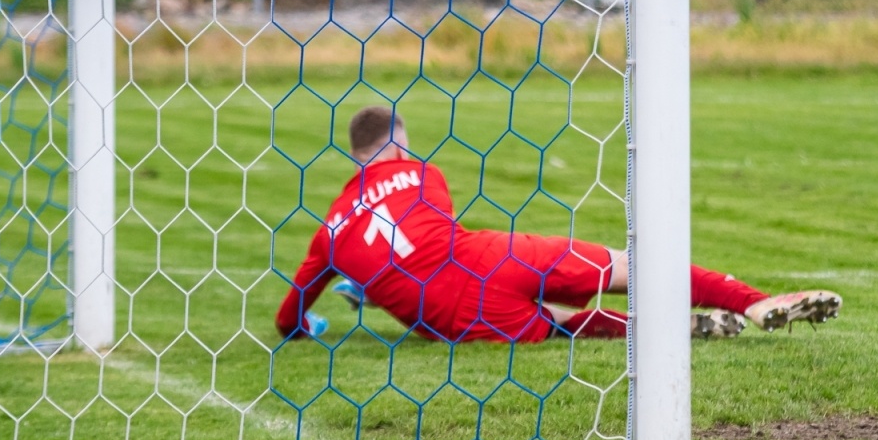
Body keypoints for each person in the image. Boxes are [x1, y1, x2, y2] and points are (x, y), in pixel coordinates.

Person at [276, 106, 842, 343]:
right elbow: (422, 236)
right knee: (628, 267)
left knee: (564, 320)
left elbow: (290, 311)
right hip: (497, 255)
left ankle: (663, 333)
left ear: (356, 157)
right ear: (398, 143)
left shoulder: (329, 231)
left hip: (451, 318)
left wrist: (317, 321)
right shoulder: (424, 173)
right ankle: (754, 301)